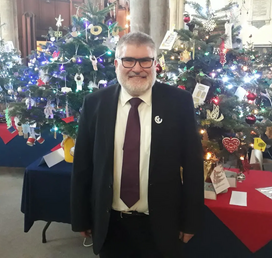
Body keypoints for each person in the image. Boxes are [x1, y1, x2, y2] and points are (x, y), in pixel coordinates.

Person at [71, 32, 204, 258]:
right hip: (111, 223)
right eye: (128, 60)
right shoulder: (95, 103)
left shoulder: (178, 102)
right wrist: (80, 217)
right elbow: (83, 165)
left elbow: (192, 166)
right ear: (116, 64)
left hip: (161, 223)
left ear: (155, 64)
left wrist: (191, 221)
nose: (137, 68)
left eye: (145, 60)